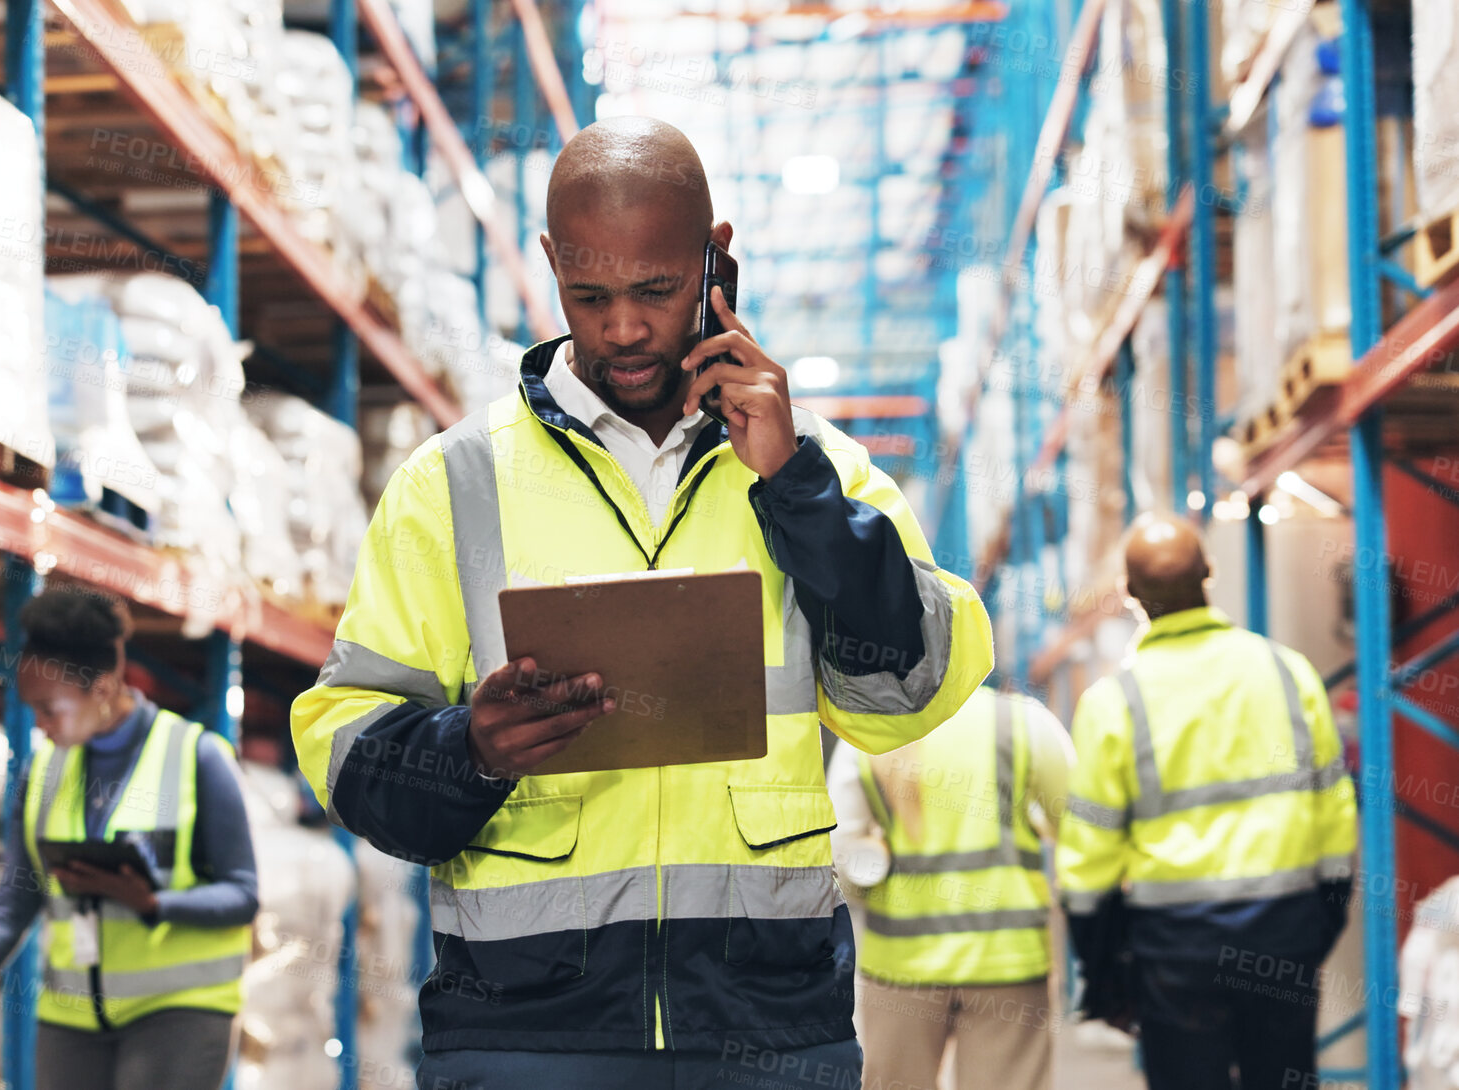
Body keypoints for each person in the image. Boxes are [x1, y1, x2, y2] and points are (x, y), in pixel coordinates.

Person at [291, 116, 994, 1089]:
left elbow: (913, 686)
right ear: (550, 264)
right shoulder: (451, 484)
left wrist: (794, 488)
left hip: (766, 1033)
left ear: (715, 259)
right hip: (528, 1043)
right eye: (590, 294)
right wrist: (472, 750)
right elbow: (341, 743)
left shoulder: (816, 470)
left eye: (656, 291)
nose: (622, 327)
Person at [0, 587, 259, 1090]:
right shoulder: (42, 772)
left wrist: (153, 903)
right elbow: (12, 905)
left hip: (179, 1012)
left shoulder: (196, 758)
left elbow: (243, 896)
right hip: (73, 1019)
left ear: (102, 689)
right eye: (31, 708)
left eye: (50, 708)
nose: (39, 724)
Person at [1057, 512, 1357, 1090]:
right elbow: (1334, 807)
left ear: (1129, 594)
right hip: (1285, 933)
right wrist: (1325, 917)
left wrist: (1099, 966)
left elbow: (1089, 852)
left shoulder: (1114, 703)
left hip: (1175, 949)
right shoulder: (1288, 672)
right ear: (1209, 574)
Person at [826, 685, 1072, 1090]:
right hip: (1007, 960)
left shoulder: (869, 733)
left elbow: (841, 859)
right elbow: (1079, 829)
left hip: (902, 966)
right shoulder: (1022, 722)